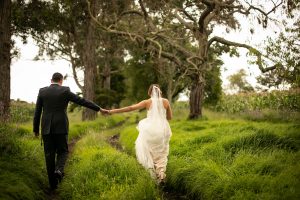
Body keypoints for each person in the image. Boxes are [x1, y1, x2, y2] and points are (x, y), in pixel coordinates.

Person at [33, 72, 107, 190]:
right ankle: (59, 170)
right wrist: (98, 109)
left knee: (49, 155)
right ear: (61, 81)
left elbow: (37, 112)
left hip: (46, 129)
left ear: (51, 80)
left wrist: (36, 129)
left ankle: (53, 185)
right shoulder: (65, 91)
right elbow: (82, 101)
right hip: (61, 127)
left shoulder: (42, 91)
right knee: (63, 151)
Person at [107, 84, 172, 183]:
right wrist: (160, 118)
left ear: (149, 92)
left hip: (150, 130)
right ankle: (161, 172)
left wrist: (111, 111)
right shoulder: (166, 102)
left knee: (148, 150)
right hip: (163, 130)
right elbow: (170, 117)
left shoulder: (147, 102)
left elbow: (130, 108)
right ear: (160, 92)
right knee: (161, 153)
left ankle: (153, 172)